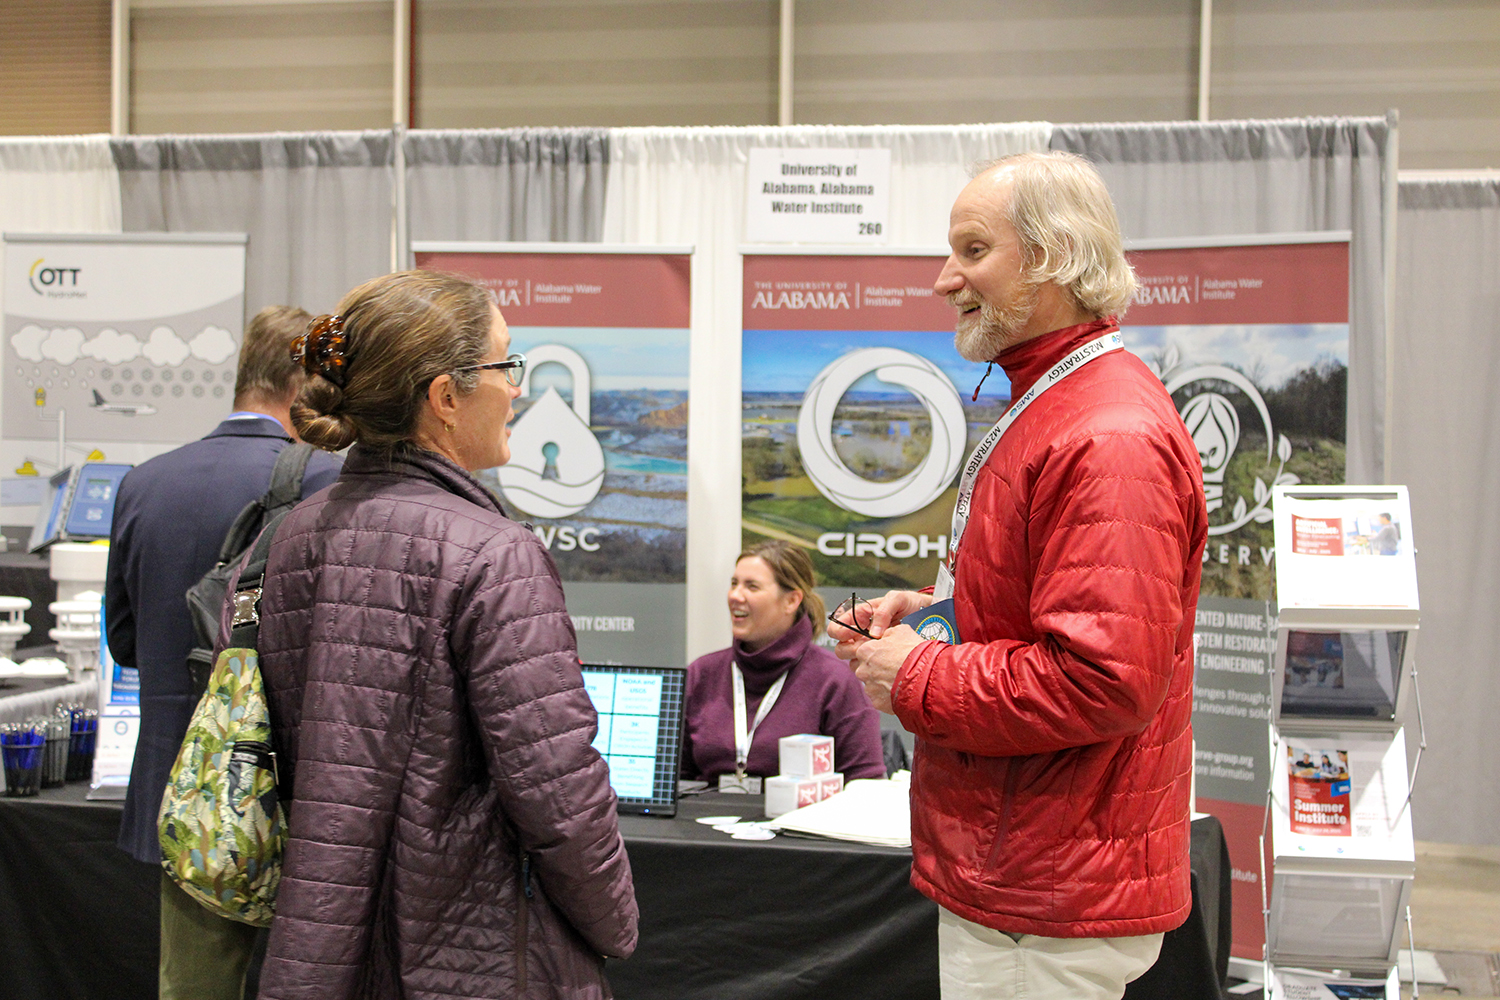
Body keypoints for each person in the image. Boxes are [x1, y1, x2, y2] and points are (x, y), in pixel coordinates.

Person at [829, 151, 1208, 1000]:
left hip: (1045, 893)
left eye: (971, 250)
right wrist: (941, 616)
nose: (943, 278)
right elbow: (1058, 615)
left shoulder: (1105, 434)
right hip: (1030, 871)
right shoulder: (1056, 400)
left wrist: (917, 671)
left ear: (1053, 256)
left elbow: (1102, 679)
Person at [251, 270, 637, 999]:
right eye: (505, 364)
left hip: (319, 936)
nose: (517, 387)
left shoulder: (289, 538)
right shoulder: (495, 556)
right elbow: (559, 793)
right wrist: (614, 922)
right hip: (478, 950)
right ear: (445, 396)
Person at [105, 304, 343, 1000]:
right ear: (302, 384)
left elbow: (125, 644)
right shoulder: (327, 482)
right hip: (296, 802)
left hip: (182, 798)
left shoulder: (142, 482)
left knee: (193, 989)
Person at [681, 540, 885, 786]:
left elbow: (866, 786)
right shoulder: (702, 673)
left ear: (791, 600)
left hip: (800, 822)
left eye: (752, 587)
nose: (735, 595)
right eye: (734, 583)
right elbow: (675, 778)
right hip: (703, 820)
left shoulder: (835, 682)